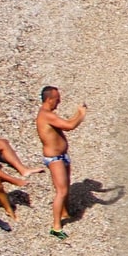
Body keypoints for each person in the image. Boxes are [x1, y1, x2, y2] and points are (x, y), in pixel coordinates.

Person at [35, 87, 85, 239]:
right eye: (57, 99)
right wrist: (81, 114)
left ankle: (65, 211)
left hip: (62, 156)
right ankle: (56, 227)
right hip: (55, 158)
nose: (59, 101)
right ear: (49, 99)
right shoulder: (46, 115)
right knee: (61, 191)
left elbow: (66, 123)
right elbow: (69, 126)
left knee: (66, 187)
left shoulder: (49, 115)